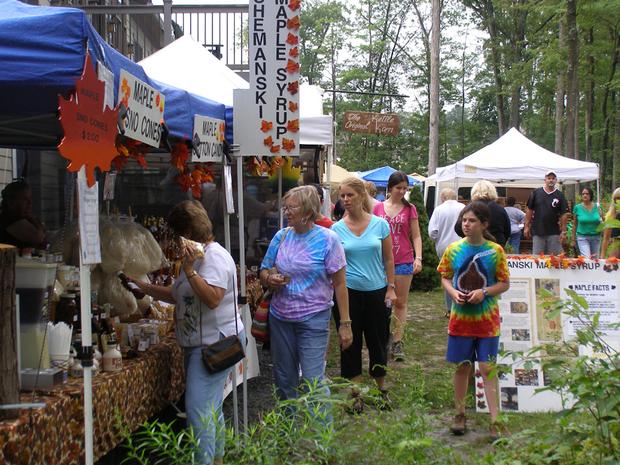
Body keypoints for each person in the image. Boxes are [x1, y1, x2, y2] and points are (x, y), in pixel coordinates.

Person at [131, 200, 243, 465]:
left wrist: (190, 271)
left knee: (197, 411)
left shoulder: (211, 258)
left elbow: (213, 298)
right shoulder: (200, 256)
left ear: (187, 235)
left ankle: (203, 461)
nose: (175, 242)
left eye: (176, 236)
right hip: (205, 344)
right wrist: (143, 287)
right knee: (211, 407)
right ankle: (217, 459)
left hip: (213, 345)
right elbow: (178, 294)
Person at [259, 186, 352, 403]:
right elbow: (264, 269)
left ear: (308, 210)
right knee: (284, 380)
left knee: (313, 382)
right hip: (280, 318)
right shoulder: (281, 237)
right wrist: (269, 279)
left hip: (314, 318)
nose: (286, 212)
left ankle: (320, 435)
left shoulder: (329, 239)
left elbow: (339, 284)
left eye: (291, 207)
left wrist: (345, 323)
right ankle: (288, 433)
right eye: (285, 208)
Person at [438, 201, 510, 440]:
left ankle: (495, 419)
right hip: (460, 319)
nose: (465, 225)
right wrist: (453, 292)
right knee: (462, 366)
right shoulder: (453, 249)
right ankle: (460, 413)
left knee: (488, 368)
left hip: (487, 320)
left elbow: (504, 283)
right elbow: (446, 277)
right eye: (464, 220)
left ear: (484, 224)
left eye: (471, 221)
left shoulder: (496, 251)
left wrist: (485, 292)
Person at [332, 177, 397, 407]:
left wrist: (391, 288)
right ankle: (356, 394)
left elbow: (389, 259)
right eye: (342, 196)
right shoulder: (336, 229)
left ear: (361, 196)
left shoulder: (380, 224)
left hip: (377, 291)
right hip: (347, 292)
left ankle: (381, 389)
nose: (346, 200)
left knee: (377, 341)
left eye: (350, 195)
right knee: (349, 342)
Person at [372, 171, 422, 362]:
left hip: (403, 260)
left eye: (405, 188)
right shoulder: (377, 208)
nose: (402, 191)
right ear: (390, 188)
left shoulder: (410, 209)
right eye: (398, 188)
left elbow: (416, 235)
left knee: (400, 302)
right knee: (381, 304)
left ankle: (398, 341)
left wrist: (418, 258)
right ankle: (383, 338)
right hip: (379, 262)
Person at [428, 188, 465, 313]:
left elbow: (432, 232)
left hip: (444, 246)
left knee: (447, 277)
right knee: (462, 275)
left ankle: (450, 308)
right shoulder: (463, 207)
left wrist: (437, 238)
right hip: (462, 245)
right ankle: (462, 303)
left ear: (442, 198)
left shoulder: (438, 209)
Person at [524, 171, 569, 255]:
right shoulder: (536, 193)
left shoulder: (560, 195)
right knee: (537, 259)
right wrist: (526, 226)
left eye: (553, 178)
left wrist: (563, 231)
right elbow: (529, 210)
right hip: (538, 231)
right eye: (549, 178)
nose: (551, 180)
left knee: (554, 259)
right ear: (545, 180)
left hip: (554, 232)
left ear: (556, 180)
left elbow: (563, 214)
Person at [455, 180, 510, 247]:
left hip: (473, 246)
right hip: (496, 246)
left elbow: (458, 228)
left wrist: (469, 236)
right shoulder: (500, 209)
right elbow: (508, 231)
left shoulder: (469, 209)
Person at [0, 179, 46, 249]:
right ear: (11, 203)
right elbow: (38, 238)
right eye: (25, 199)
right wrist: (33, 219)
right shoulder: (8, 219)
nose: (30, 202)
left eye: (30, 198)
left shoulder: (21, 217)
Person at [571, 187, 603, 258]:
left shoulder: (598, 207)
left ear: (591, 195)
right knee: (587, 258)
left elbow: (604, 221)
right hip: (582, 237)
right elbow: (575, 224)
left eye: (587, 194)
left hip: (596, 237)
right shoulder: (577, 208)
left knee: (595, 260)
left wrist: (602, 216)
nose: (585, 195)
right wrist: (573, 239)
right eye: (583, 194)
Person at [601, 187, 620, 258]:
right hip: (615, 247)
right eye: (617, 198)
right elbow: (606, 238)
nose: (618, 200)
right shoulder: (611, 216)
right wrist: (602, 256)